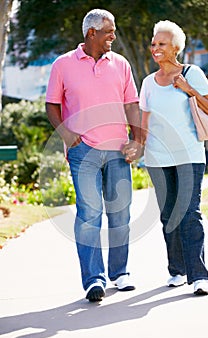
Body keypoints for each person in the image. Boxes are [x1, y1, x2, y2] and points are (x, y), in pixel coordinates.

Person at [45, 9, 141, 302]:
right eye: (109, 31)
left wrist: (137, 140)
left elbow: (132, 105)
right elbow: (51, 105)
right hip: (82, 149)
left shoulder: (121, 64)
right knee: (89, 214)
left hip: (117, 150)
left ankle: (120, 272)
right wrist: (66, 135)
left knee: (120, 212)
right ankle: (93, 279)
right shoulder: (63, 65)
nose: (114, 35)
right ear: (92, 33)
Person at [139, 20, 208, 295]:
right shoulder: (148, 83)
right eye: (153, 43)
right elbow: (144, 122)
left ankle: (199, 275)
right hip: (157, 159)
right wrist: (136, 146)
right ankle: (177, 270)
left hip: (189, 155)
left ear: (175, 47)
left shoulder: (193, 73)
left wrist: (190, 90)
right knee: (168, 216)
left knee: (189, 213)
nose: (155, 48)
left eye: (161, 44)